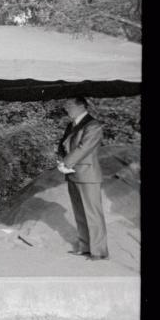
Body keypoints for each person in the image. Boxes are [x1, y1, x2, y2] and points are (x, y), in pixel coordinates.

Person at [58, 97, 109, 261]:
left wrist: (66, 163)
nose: (67, 109)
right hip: (72, 173)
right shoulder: (71, 125)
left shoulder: (93, 125)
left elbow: (84, 147)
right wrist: (61, 161)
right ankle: (86, 247)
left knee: (93, 214)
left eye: (69, 106)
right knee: (80, 213)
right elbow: (64, 145)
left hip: (88, 175)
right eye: (66, 106)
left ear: (81, 106)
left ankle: (99, 252)